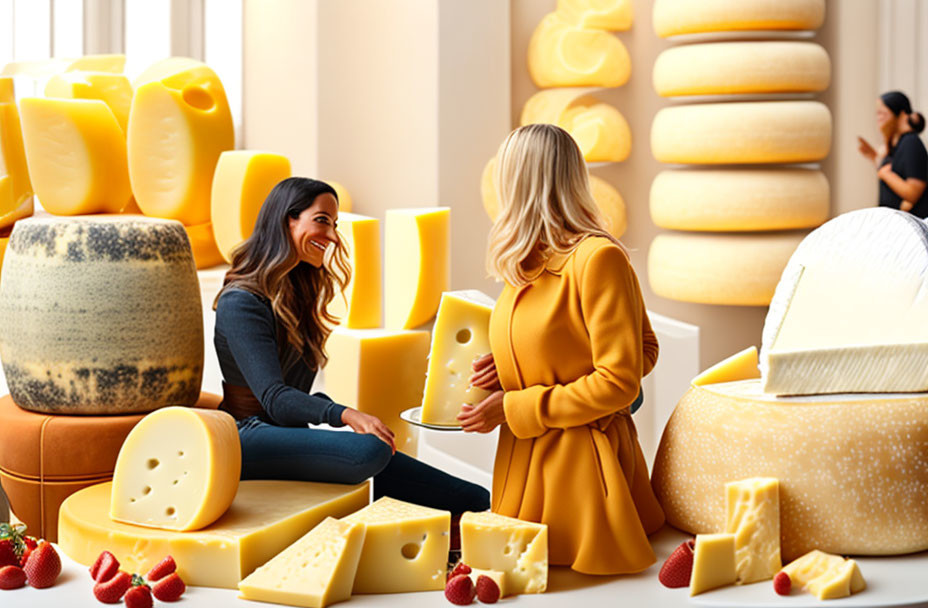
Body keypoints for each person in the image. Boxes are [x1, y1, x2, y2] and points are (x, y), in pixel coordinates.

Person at [212, 177, 489, 517]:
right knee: (369, 452)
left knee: (474, 497)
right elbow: (275, 398)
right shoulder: (241, 302)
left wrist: (341, 415)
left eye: (334, 225)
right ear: (288, 219)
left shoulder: (295, 298)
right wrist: (345, 415)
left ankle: (459, 527)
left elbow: (292, 395)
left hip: (282, 433)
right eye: (322, 221)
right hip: (244, 438)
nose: (331, 236)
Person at [458, 124, 665, 575]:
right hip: (522, 466)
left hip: (579, 479)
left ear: (520, 182)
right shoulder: (523, 263)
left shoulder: (597, 259)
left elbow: (620, 377)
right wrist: (513, 362)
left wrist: (516, 405)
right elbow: (592, 344)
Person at [858, 91, 927, 217]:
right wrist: (873, 157)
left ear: (901, 114)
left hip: (910, 226)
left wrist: (885, 174)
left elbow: (913, 192)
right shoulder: (898, 143)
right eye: (877, 114)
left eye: (882, 113)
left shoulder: (911, 143)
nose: (878, 118)